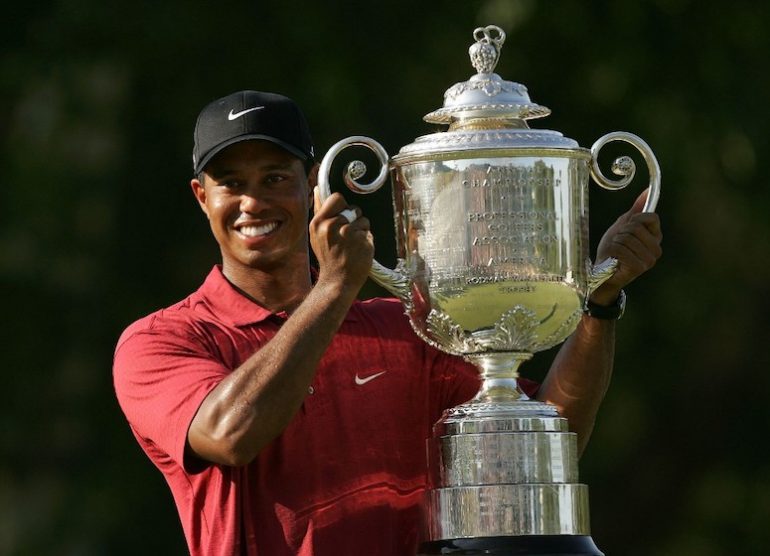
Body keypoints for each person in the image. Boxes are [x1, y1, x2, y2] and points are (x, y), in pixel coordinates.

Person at [113, 90, 662, 556]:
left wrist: (599, 304)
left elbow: (548, 434)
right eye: (231, 183)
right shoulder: (163, 340)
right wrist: (334, 286)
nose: (254, 202)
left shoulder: (406, 329)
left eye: (275, 177)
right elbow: (231, 435)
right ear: (201, 196)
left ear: (311, 187)